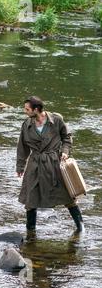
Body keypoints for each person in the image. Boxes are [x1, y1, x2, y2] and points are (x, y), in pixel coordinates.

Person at [16, 96, 84, 233]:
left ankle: (81, 228)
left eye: (27, 109)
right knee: (30, 200)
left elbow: (67, 137)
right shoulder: (26, 124)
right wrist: (20, 167)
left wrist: (65, 151)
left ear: (36, 109)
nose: (25, 111)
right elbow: (22, 147)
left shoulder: (56, 120)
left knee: (68, 197)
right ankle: (31, 233)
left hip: (55, 164)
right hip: (34, 166)